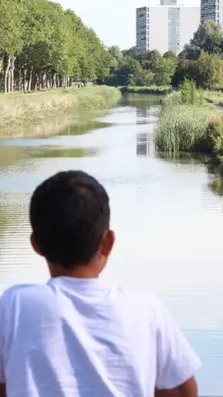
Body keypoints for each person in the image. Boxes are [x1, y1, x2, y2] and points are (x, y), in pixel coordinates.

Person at [0, 170, 201, 397]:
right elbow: (183, 391)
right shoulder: (144, 309)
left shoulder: (13, 306)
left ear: (36, 245)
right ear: (107, 243)